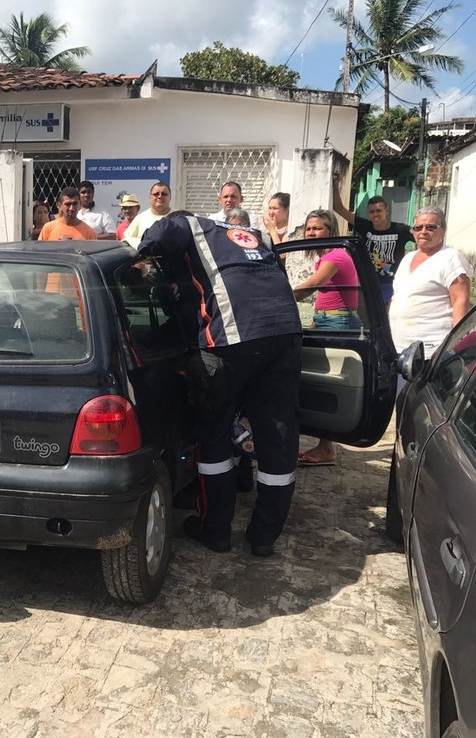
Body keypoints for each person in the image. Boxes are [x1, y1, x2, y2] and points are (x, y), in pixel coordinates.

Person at [139, 212, 302, 558]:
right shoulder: (252, 234)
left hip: (233, 337)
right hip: (286, 333)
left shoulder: (190, 224)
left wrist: (142, 253)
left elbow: (158, 236)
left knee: (213, 433)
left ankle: (216, 532)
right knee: (278, 436)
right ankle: (263, 537)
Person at [293, 210, 361, 467]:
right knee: (319, 377)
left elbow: (311, 285)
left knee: (328, 384)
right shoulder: (325, 257)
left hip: (338, 321)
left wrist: (276, 299)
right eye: (309, 229)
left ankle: (327, 448)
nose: (312, 233)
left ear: (330, 231)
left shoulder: (336, 256)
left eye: (318, 228)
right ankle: (325, 445)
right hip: (325, 318)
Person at [389, 205, 471, 354]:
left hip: (431, 350)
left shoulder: (451, 258)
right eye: (418, 228)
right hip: (399, 348)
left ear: (443, 231)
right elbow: (397, 296)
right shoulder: (408, 258)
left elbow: (460, 304)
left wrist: (456, 347)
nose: (423, 232)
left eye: (430, 227)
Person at [332, 173, 414, 306]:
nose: (375, 214)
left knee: (388, 318)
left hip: (392, 283)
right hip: (367, 282)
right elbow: (339, 209)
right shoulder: (365, 226)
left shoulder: (400, 229)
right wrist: (335, 185)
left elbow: (422, 237)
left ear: (386, 211)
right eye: (372, 211)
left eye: (378, 210)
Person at [122, 181, 173, 248]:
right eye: (156, 194)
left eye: (164, 194)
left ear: (170, 197)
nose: (160, 196)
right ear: (150, 197)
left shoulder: (179, 217)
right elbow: (126, 240)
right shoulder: (140, 218)